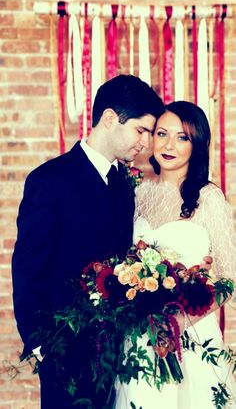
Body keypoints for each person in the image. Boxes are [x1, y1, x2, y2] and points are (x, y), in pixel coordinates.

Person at [11, 74, 165, 409]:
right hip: (63, 351)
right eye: (141, 130)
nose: (145, 143)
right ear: (110, 118)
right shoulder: (49, 180)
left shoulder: (125, 185)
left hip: (117, 353)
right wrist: (40, 344)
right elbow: (27, 269)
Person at [115, 101, 236, 409]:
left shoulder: (209, 198)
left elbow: (228, 279)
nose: (169, 145)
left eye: (182, 137)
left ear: (196, 145)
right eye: (161, 134)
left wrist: (182, 320)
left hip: (191, 333)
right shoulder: (138, 194)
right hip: (141, 339)